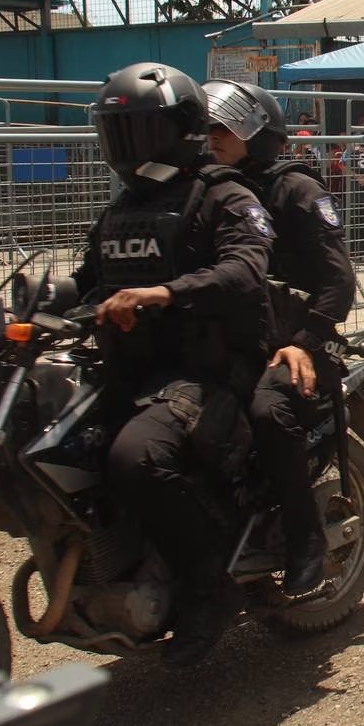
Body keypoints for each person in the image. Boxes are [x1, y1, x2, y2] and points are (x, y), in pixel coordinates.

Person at [73, 62, 273, 665]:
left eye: (137, 132)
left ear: (179, 130)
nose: (125, 149)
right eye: (116, 134)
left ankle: (210, 588)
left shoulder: (222, 195)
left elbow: (246, 268)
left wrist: (164, 293)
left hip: (210, 372)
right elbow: (86, 285)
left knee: (136, 458)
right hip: (135, 372)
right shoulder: (119, 212)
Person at [204, 79, 356, 597]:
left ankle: (304, 538)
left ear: (259, 131)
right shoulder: (207, 190)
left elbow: (339, 280)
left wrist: (305, 339)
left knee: (269, 412)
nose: (213, 134)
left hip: (294, 340)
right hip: (229, 341)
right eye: (207, 126)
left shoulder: (295, 190)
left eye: (225, 125)